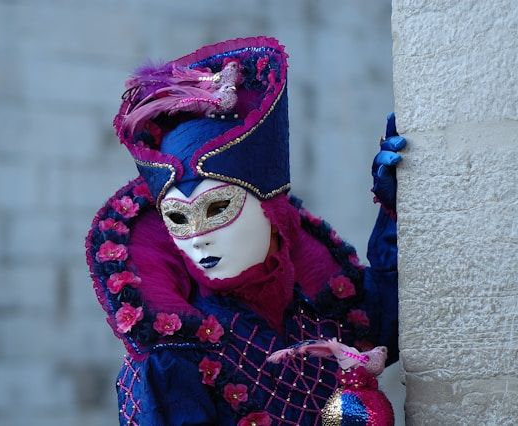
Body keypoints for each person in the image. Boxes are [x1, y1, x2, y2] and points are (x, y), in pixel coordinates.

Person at [86, 37, 405, 425]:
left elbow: (406, 319)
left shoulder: (328, 310)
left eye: (217, 208)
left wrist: (401, 207)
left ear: (272, 210)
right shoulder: (175, 363)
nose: (197, 237)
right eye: (178, 219)